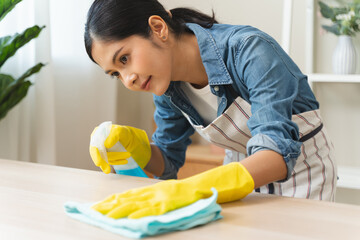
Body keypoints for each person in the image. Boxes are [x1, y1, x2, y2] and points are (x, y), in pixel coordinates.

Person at [85, 0, 337, 219]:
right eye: (115, 74)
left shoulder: (249, 50)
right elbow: (169, 161)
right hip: (236, 178)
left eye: (125, 59)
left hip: (303, 175)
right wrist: (136, 149)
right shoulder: (165, 85)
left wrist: (192, 189)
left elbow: (276, 154)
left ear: (158, 28)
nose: (127, 79)